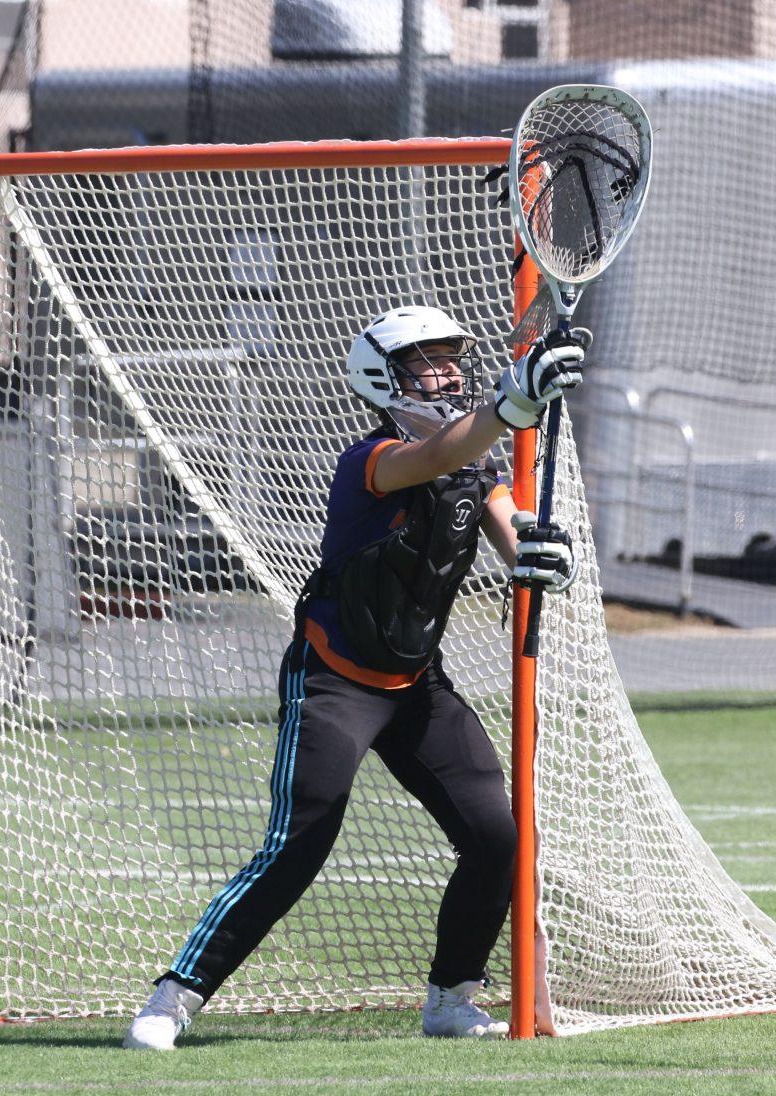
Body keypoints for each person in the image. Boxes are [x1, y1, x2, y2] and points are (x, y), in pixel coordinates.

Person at [124, 305, 588, 1049]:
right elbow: (432, 459)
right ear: (382, 378)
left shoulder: (478, 459)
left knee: (497, 837)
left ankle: (451, 996)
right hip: (336, 680)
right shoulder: (370, 459)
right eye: (425, 361)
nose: (444, 372)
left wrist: (539, 556)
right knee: (299, 842)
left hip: (416, 685)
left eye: (449, 358)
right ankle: (174, 996)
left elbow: (507, 527)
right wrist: (510, 404)